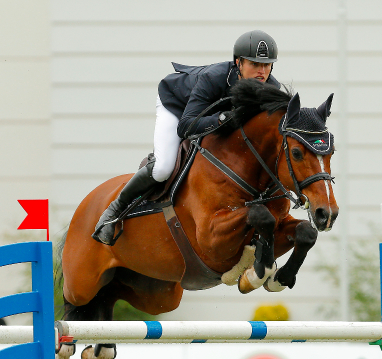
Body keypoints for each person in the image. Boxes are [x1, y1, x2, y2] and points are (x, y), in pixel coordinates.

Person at [92, 30, 282, 245]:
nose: (262, 71)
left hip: (204, 116)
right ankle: (113, 212)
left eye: (267, 65)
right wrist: (220, 119)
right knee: (163, 168)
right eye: (255, 64)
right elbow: (186, 126)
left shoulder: (271, 88)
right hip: (177, 107)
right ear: (238, 62)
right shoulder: (214, 78)